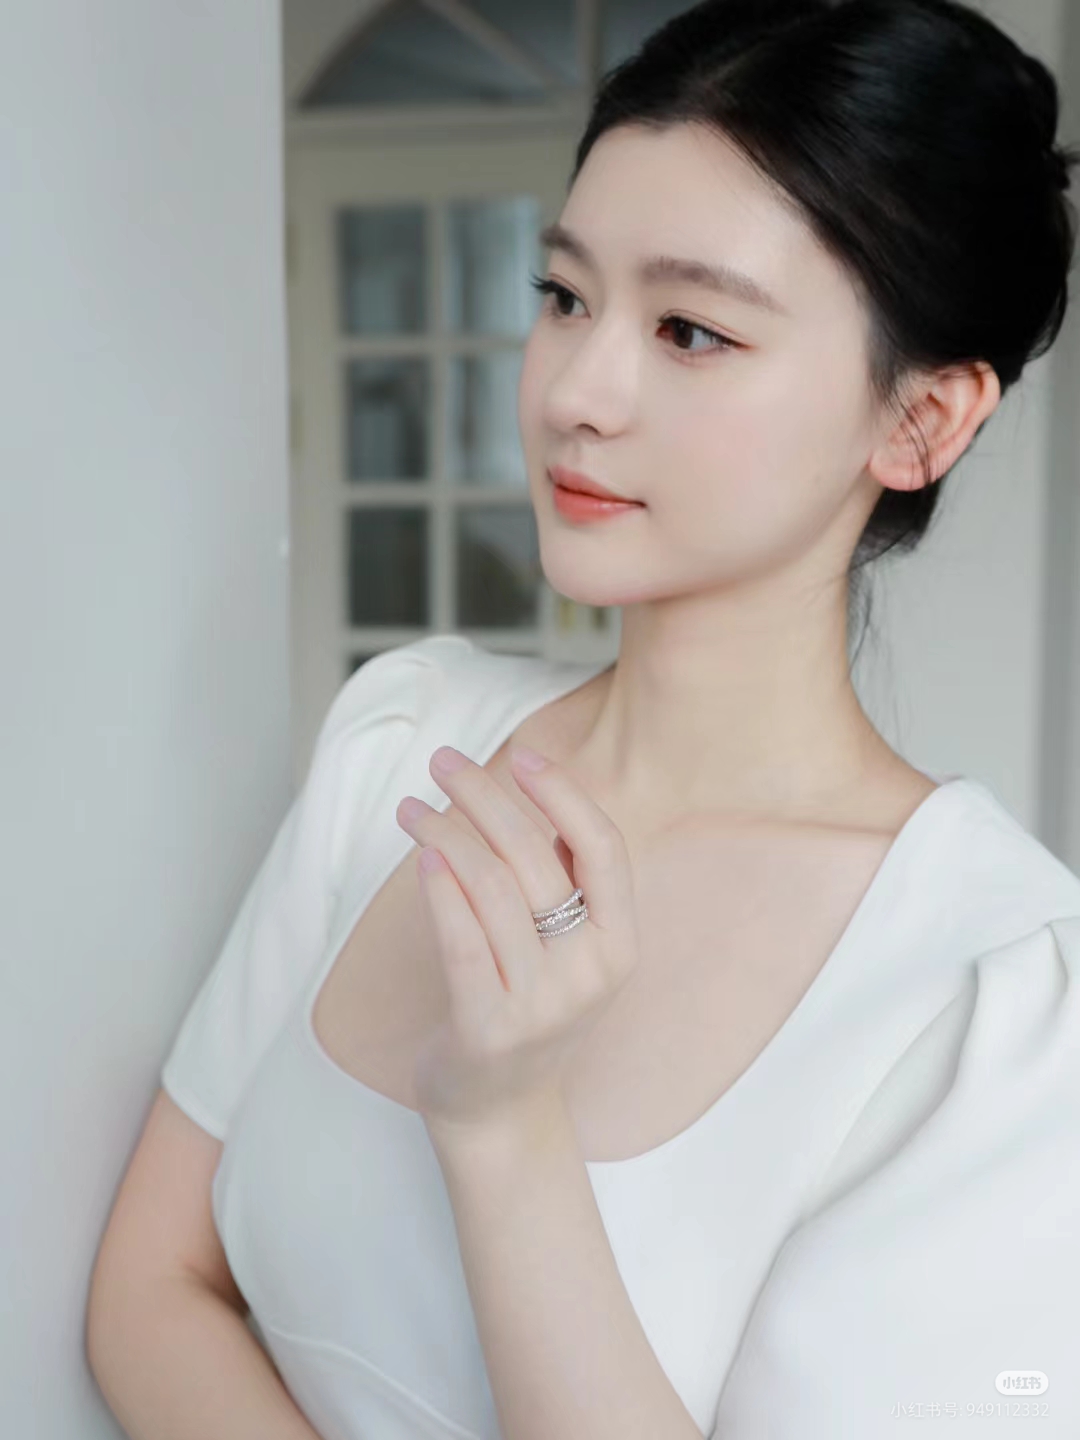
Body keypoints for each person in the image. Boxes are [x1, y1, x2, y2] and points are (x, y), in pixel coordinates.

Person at [87, 1, 1080, 1436]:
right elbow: (148, 1287)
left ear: (922, 422)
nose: (576, 392)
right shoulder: (406, 745)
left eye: (691, 329)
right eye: (563, 296)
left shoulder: (996, 1001)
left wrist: (506, 1127)